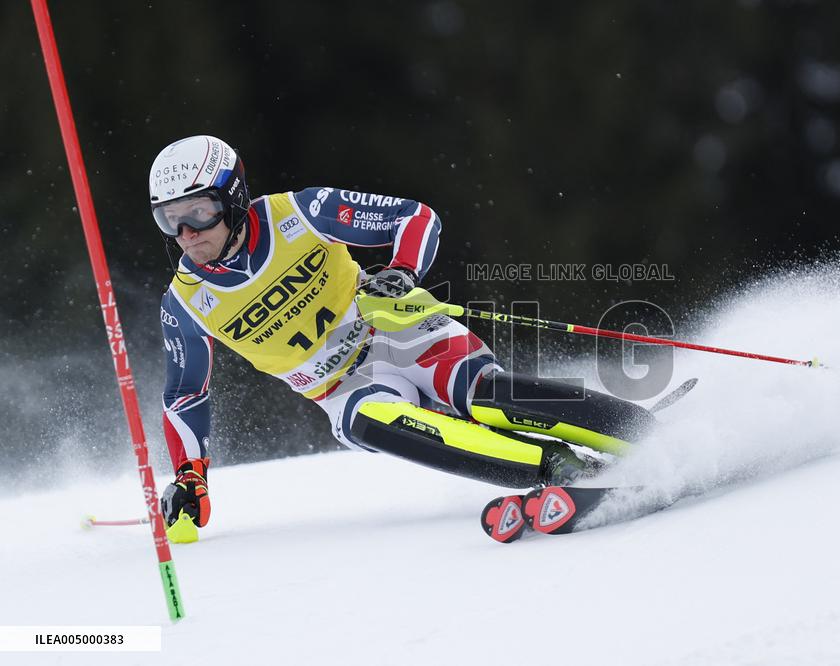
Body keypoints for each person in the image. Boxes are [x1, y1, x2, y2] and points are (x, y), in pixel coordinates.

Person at [151, 135, 656, 543]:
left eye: (200, 211)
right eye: (171, 219)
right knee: (367, 419)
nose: (188, 233)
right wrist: (190, 475)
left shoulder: (300, 213)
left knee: (483, 397)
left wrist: (401, 271)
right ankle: (558, 470)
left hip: (402, 336)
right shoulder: (186, 302)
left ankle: (643, 433)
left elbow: (415, 218)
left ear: (233, 198)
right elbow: (186, 393)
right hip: (343, 388)